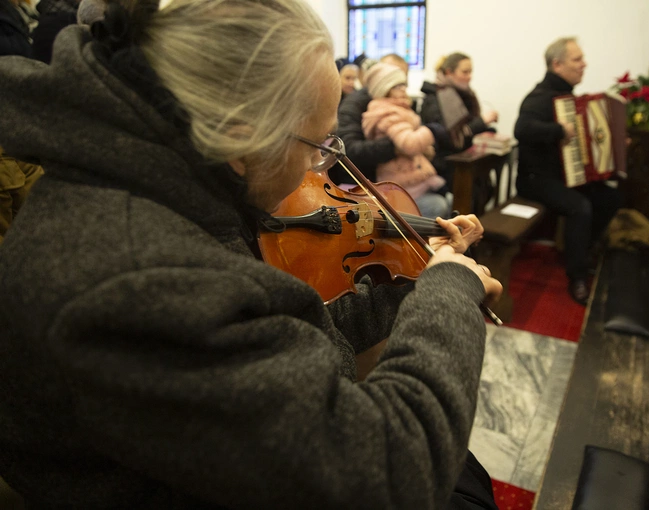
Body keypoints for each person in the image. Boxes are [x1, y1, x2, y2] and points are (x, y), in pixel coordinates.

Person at [0, 0, 504, 508]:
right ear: (241, 136)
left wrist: (421, 285)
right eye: (318, 145)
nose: (320, 166)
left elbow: (279, 330)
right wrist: (448, 296)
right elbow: (392, 470)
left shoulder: (172, 184)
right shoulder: (138, 274)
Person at [514, 37, 622, 306]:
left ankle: (581, 250)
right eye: (577, 59)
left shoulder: (569, 98)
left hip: (561, 177)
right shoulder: (539, 97)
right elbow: (521, 129)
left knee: (611, 197)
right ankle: (577, 276)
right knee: (580, 207)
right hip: (535, 180)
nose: (584, 64)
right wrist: (558, 130)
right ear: (557, 64)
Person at [362, 62, 451, 219]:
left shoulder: (401, 110)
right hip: (402, 185)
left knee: (449, 199)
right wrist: (431, 130)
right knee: (441, 205)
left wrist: (424, 147)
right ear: (384, 89)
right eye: (397, 86)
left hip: (412, 175)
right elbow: (409, 144)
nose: (403, 89)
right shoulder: (388, 113)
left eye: (404, 84)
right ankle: (428, 242)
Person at [419, 52, 499, 208]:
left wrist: (487, 130)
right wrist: (482, 122)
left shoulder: (463, 95)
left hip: (465, 161)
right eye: (465, 72)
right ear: (449, 72)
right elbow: (449, 138)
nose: (469, 77)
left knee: (485, 190)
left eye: (471, 72)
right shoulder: (434, 99)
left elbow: (467, 129)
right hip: (446, 166)